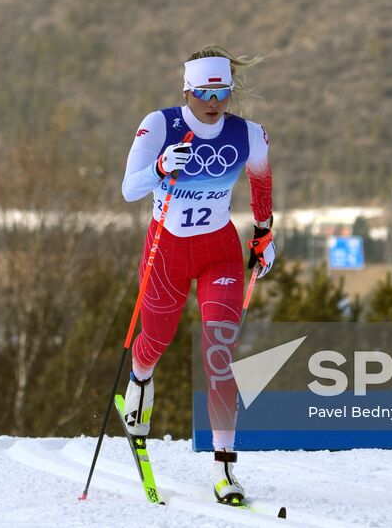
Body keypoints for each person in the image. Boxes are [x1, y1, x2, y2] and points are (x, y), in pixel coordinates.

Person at [119, 46, 276, 505]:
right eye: (205, 92)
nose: (214, 101)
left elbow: (261, 184)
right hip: (166, 251)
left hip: (219, 252)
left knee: (220, 353)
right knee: (156, 341)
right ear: (187, 89)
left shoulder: (248, 134)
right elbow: (130, 188)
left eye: (222, 91)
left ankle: (225, 469)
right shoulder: (160, 125)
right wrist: (161, 167)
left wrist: (264, 236)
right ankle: (140, 378)